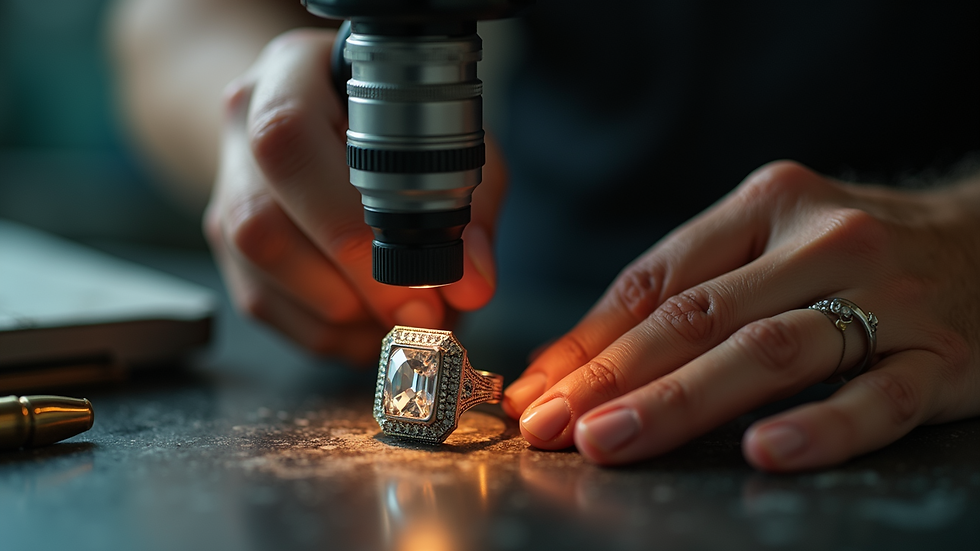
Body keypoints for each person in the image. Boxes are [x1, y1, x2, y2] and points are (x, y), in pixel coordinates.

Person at [110, 0, 980, 471]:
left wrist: (963, 238)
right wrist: (263, 124)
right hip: (527, 298)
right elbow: (167, 19)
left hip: (919, 330)